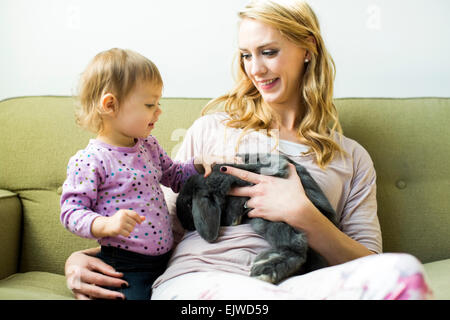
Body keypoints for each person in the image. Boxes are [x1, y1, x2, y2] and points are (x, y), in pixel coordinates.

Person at [64, 1, 433, 300]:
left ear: (308, 49)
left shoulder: (350, 158)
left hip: (291, 286)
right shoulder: (212, 129)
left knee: (403, 272)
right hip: (201, 284)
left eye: (268, 52)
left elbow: (369, 264)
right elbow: (153, 224)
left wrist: (306, 216)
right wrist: (84, 258)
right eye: (245, 55)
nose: (255, 69)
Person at [60, 48, 221, 300]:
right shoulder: (91, 160)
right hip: (126, 267)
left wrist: (198, 164)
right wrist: (104, 224)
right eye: (150, 104)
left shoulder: (148, 145)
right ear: (110, 105)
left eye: (159, 103)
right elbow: (70, 211)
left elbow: (174, 175)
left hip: (165, 261)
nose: (158, 111)